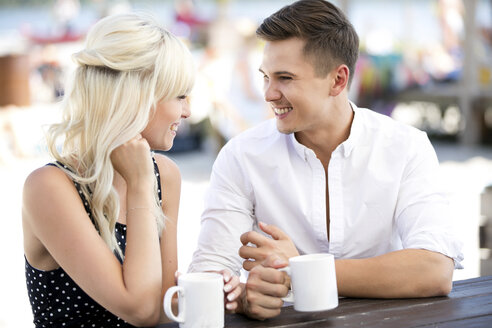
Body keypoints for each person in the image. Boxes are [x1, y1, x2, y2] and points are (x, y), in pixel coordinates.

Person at [189, 0, 464, 320]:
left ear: (338, 80)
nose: (268, 93)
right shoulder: (241, 156)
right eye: (265, 76)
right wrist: (247, 299)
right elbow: (209, 275)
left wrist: (298, 270)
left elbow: (435, 269)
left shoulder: (406, 147)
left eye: (285, 78)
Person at [22, 12, 202, 327]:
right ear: (136, 97)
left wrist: (231, 292)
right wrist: (140, 184)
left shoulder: (166, 174)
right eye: (179, 95)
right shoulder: (50, 186)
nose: (188, 111)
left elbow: (163, 305)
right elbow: (141, 310)